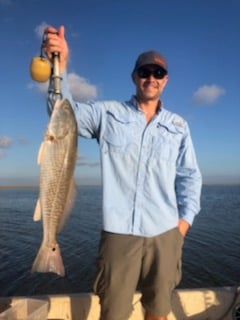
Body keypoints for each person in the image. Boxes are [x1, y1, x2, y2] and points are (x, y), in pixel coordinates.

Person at [44, 25, 202, 320]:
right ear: (134, 77)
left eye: (157, 73)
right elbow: (61, 112)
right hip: (119, 234)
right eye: (145, 72)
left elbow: (190, 177)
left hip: (166, 233)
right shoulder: (108, 114)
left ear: (165, 81)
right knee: (113, 312)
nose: (150, 78)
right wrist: (60, 68)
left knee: (158, 310)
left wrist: (183, 225)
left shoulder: (179, 125)